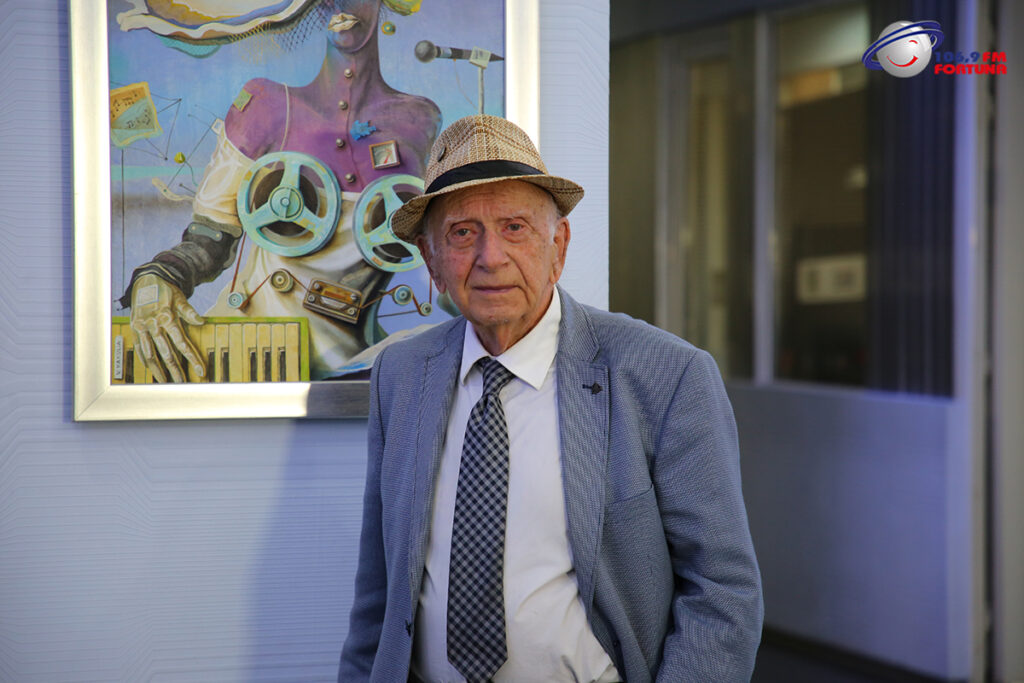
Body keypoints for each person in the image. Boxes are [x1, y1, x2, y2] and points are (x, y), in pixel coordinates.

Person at [339, 115, 762, 682]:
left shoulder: (666, 375)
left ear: (557, 245)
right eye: (462, 233)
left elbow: (723, 591)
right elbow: (379, 590)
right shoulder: (402, 374)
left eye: (514, 227)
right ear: (431, 260)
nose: (491, 257)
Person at [120, 0, 440, 382]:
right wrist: (158, 278)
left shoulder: (419, 120)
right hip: (246, 354)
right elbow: (210, 238)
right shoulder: (265, 105)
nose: (337, 3)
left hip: (353, 370)